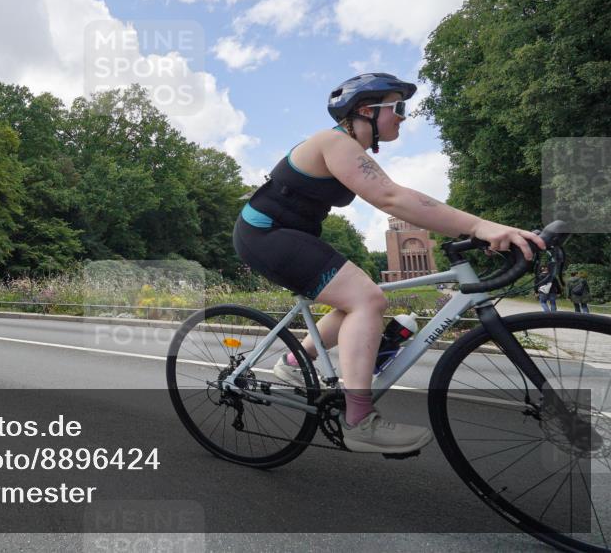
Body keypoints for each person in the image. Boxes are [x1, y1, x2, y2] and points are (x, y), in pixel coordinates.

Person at [233, 72, 546, 454]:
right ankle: (359, 420)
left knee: (361, 298)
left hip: (287, 235)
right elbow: (393, 199)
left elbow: (401, 198)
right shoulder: (334, 141)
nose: (403, 116)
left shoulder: (351, 151)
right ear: (366, 111)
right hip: (264, 234)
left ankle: (294, 361)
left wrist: (477, 227)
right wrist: (480, 226)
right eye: (398, 107)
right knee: (367, 299)